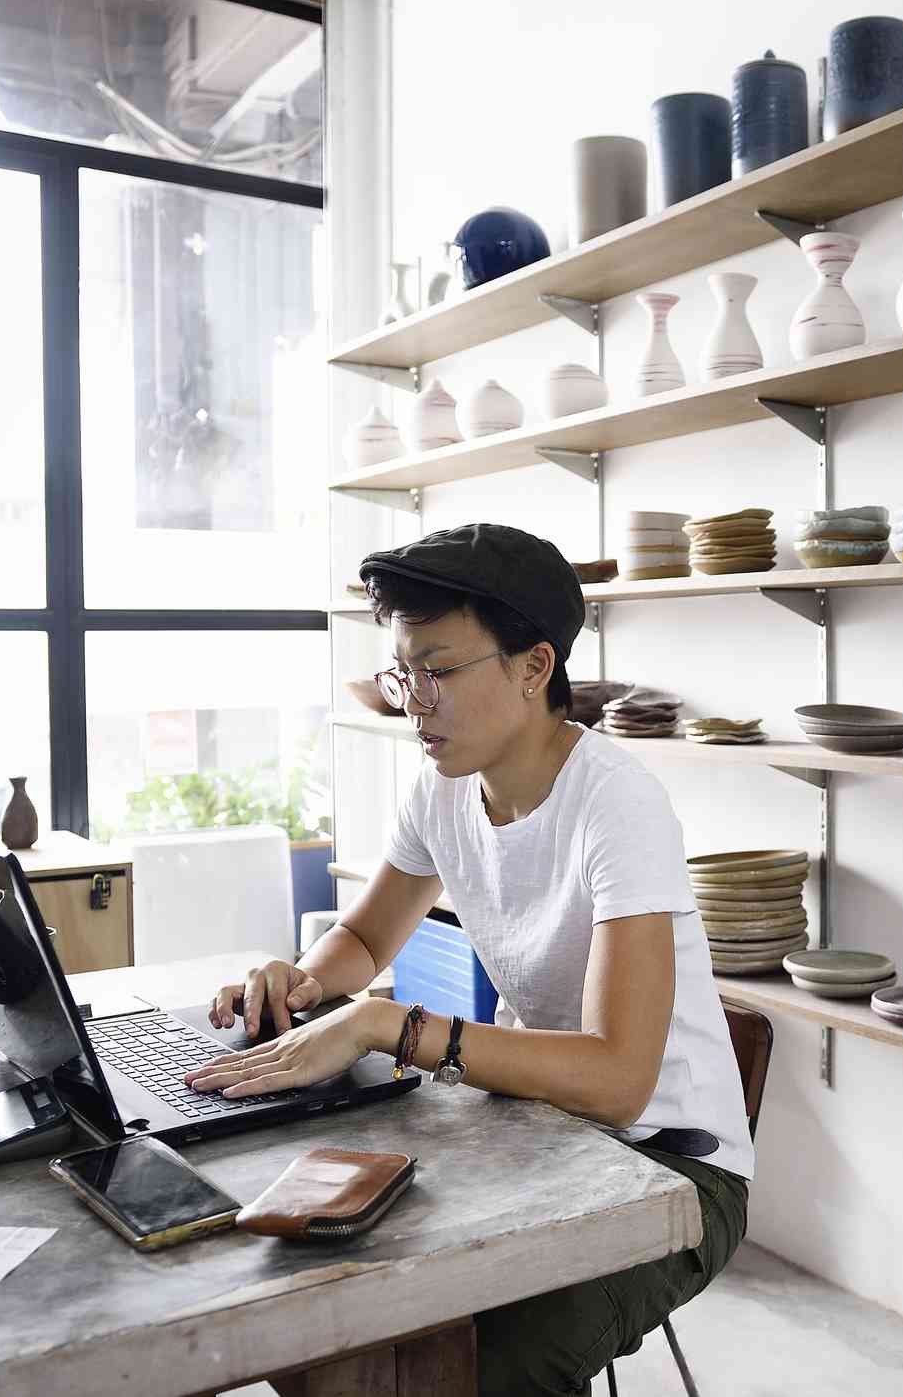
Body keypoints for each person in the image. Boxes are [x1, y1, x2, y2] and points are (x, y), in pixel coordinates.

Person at [185, 523, 752, 1396]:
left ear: (532, 667)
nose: (414, 701)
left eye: (438, 670)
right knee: (313, 1310)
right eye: (401, 673)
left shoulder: (618, 803)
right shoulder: (443, 787)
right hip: (531, 1126)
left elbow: (618, 1081)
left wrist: (386, 1023)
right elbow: (367, 940)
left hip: (671, 1165)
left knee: (477, 1370)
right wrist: (302, 978)